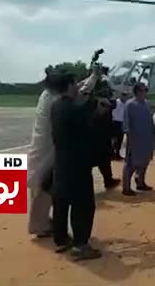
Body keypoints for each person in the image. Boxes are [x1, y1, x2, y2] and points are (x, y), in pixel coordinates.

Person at [26, 68, 99, 238]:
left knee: (44, 189)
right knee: (46, 190)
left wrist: (91, 77)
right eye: (72, 82)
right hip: (49, 151)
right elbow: (81, 93)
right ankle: (40, 226)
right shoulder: (57, 101)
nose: (75, 85)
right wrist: (94, 77)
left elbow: (77, 87)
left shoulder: (47, 95)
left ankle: (45, 225)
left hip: (41, 149)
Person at [50, 73, 103, 260]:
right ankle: (81, 245)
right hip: (77, 165)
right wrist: (96, 111)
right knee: (84, 205)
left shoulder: (56, 106)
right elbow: (87, 127)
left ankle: (61, 238)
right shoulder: (72, 110)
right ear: (69, 85)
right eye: (75, 84)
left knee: (61, 202)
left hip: (61, 162)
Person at [122, 82, 155, 196]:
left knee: (144, 162)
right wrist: (129, 138)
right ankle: (126, 187)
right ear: (137, 92)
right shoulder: (130, 104)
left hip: (147, 139)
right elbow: (126, 124)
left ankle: (140, 183)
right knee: (131, 164)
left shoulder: (146, 104)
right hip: (135, 139)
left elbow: (151, 120)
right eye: (143, 90)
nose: (145, 92)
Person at [90, 95, 121, 190]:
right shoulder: (93, 115)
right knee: (91, 164)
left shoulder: (104, 114)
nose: (108, 110)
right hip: (95, 144)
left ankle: (108, 180)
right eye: (107, 107)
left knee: (105, 163)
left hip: (103, 143)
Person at [111, 92, 129, 160]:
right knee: (114, 139)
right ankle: (113, 154)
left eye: (125, 96)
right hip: (115, 122)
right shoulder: (116, 102)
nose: (124, 97)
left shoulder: (126, 104)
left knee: (120, 139)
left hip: (122, 123)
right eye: (123, 95)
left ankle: (117, 154)